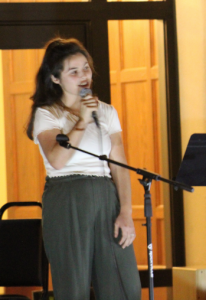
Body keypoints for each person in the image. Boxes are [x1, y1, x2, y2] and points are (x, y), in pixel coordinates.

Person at [26, 38, 141, 300]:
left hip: (105, 194)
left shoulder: (107, 111)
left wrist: (125, 212)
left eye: (86, 68)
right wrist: (82, 120)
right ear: (55, 78)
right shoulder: (47, 114)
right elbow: (57, 159)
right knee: (73, 286)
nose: (83, 77)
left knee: (125, 288)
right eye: (73, 71)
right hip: (67, 196)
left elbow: (120, 166)